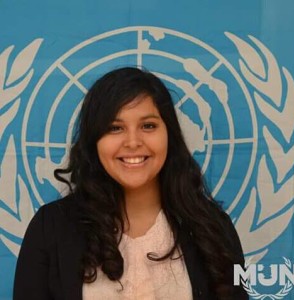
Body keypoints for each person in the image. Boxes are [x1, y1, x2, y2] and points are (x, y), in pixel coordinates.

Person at [13, 67, 248, 300]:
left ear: (170, 134)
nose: (133, 142)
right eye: (115, 128)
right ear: (94, 141)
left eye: (148, 126)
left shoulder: (213, 228)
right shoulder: (50, 228)